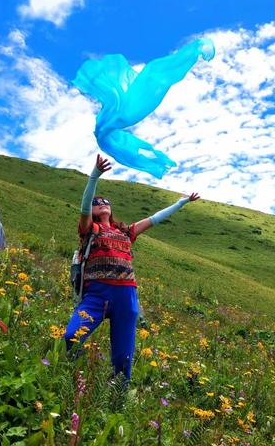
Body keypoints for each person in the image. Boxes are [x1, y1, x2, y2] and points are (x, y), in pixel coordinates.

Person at [64, 154, 199, 381]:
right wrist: (94, 176)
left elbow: (154, 219)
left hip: (127, 295)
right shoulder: (90, 228)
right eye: (97, 203)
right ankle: (67, 374)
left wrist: (181, 203)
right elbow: (85, 205)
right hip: (96, 294)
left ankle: (119, 395)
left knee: (123, 359)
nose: (101, 204)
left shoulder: (126, 232)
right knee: (70, 336)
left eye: (105, 202)